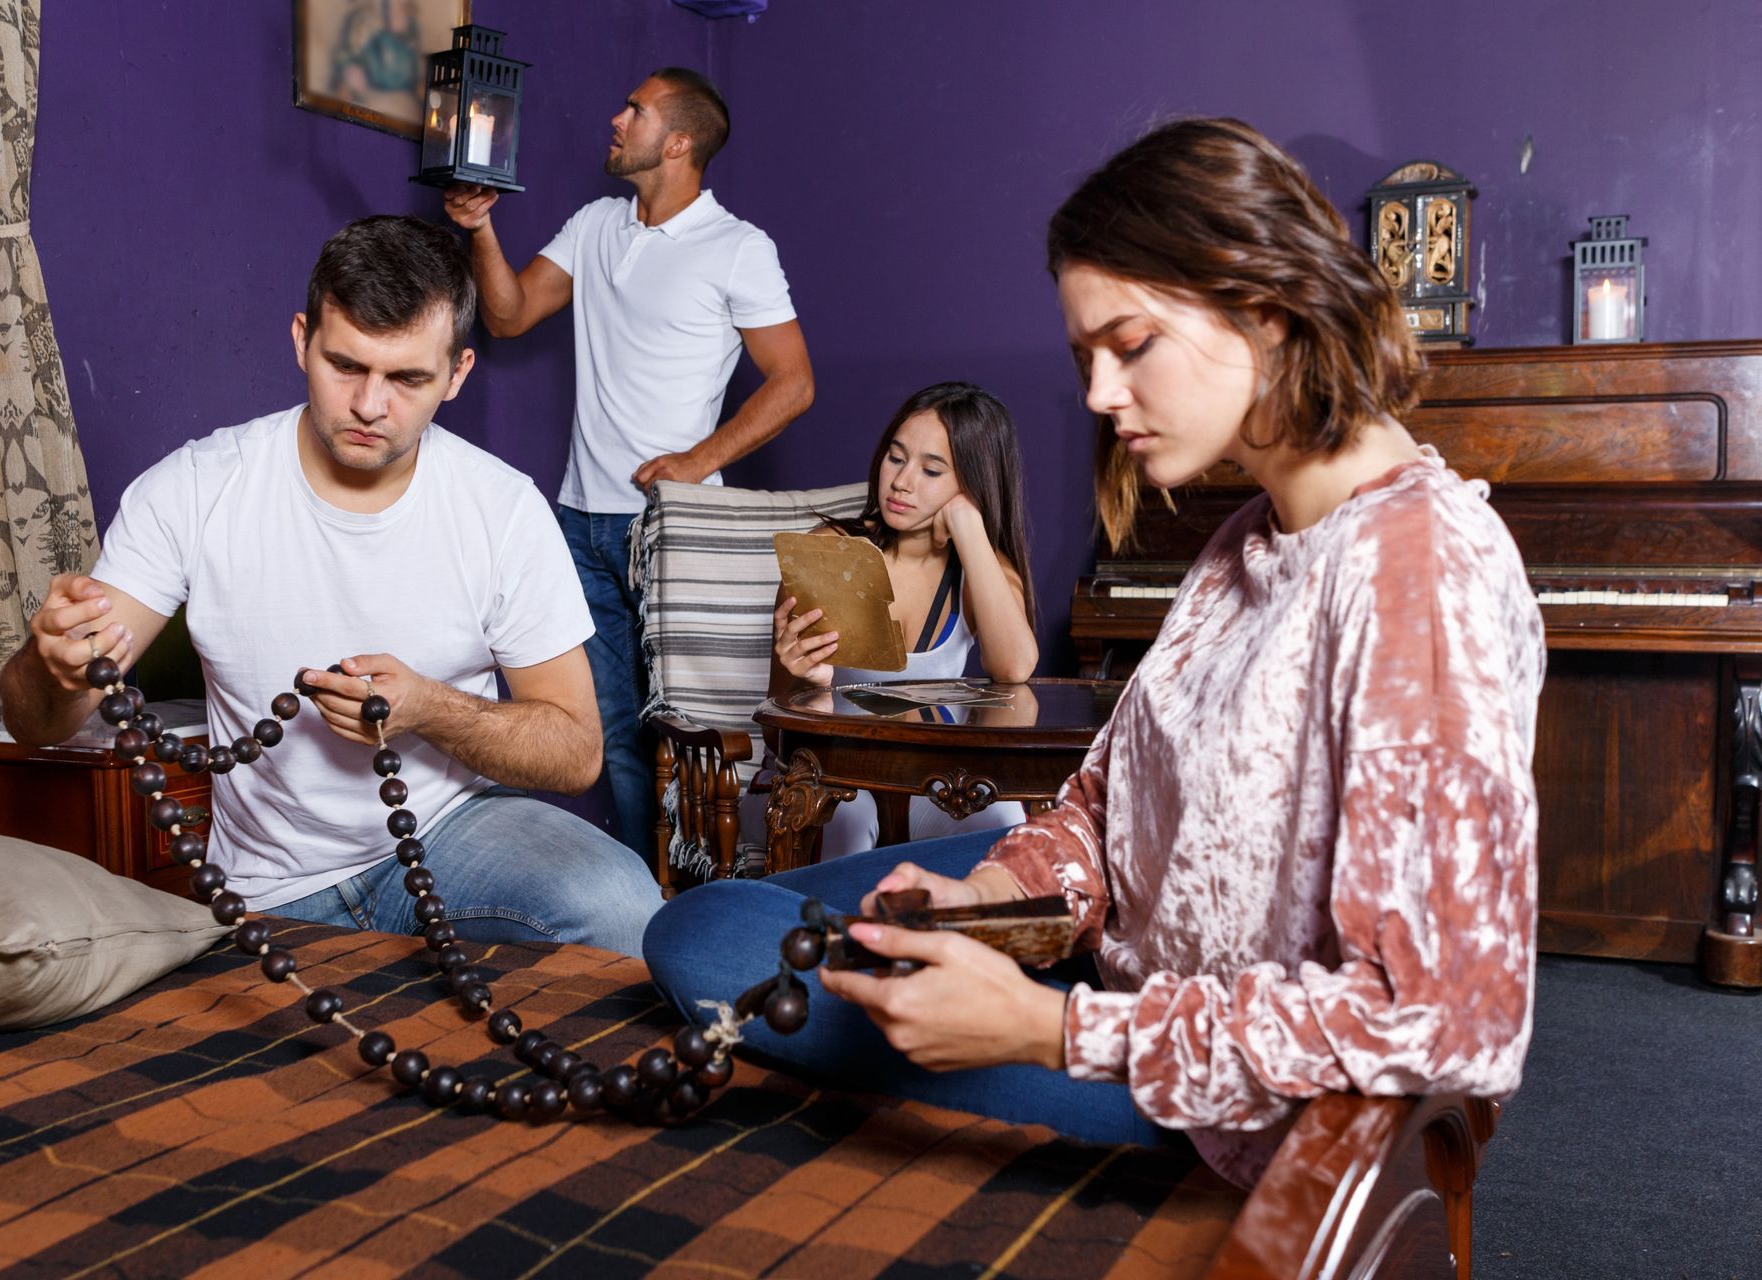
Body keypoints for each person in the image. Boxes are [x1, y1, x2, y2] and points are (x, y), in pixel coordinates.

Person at [644, 118, 1546, 1184]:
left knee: (738, 961)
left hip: (1222, 1097)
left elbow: (1446, 1022)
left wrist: (1045, 1031)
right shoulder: (1247, 539)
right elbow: (1100, 810)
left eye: (1131, 345)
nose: (1099, 395)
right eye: (1086, 357)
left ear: (1265, 305)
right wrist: (992, 899)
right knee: (707, 927)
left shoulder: (1418, 571)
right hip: (1114, 975)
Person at [0, 215, 661, 957]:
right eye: (346, 366)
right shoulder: (194, 487)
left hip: (452, 834)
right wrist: (50, 665)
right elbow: (41, 722)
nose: (371, 406)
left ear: (457, 375)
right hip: (275, 881)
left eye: (408, 377)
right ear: (300, 341)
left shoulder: (502, 508)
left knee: (622, 905)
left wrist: (428, 708)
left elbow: (575, 752)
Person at [444, 67, 815, 861]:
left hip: (677, 529)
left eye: (635, 111)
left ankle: (704, 900)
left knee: (688, 731)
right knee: (611, 732)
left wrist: (698, 459)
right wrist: (479, 227)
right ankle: (652, 901)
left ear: (677, 141)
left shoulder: (738, 248)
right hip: (580, 521)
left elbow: (795, 382)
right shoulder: (596, 225)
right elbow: (507, 317)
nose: (615, 119)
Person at [769, 381, 1038, 856]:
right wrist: (806, 684)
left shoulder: (981, 571)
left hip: (925, 781)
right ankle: (843, 932)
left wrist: (970, 529)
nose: (902, 481)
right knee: (849, 817)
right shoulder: (832, 549)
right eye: (896, 458)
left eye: (932, 470)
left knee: (1005, 818)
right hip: (827, 772)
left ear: (971, 486)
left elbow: (1014, 667)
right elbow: (778, 723)